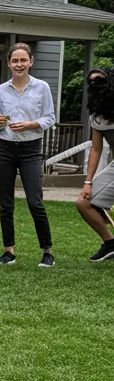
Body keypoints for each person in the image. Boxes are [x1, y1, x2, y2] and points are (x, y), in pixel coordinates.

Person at [0, 43, 56, 267]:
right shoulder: (1, 90)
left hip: (31, 149)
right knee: (5, 204)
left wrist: (29, 124)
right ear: (9, 64)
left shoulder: (42, 87)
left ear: (31, 62)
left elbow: (49, 117)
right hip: (5, 149)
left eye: (23, 60)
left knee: (35, 201)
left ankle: (47, 251)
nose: (19, 64)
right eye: (15, 61)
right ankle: (9, 251)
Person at [76, 67, 114, 261]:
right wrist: (88, 182)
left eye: (100, 79)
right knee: (83, 202)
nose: (95, 84)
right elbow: (96, 149)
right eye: (91, 81)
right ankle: (110, 243)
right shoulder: (96, 116)